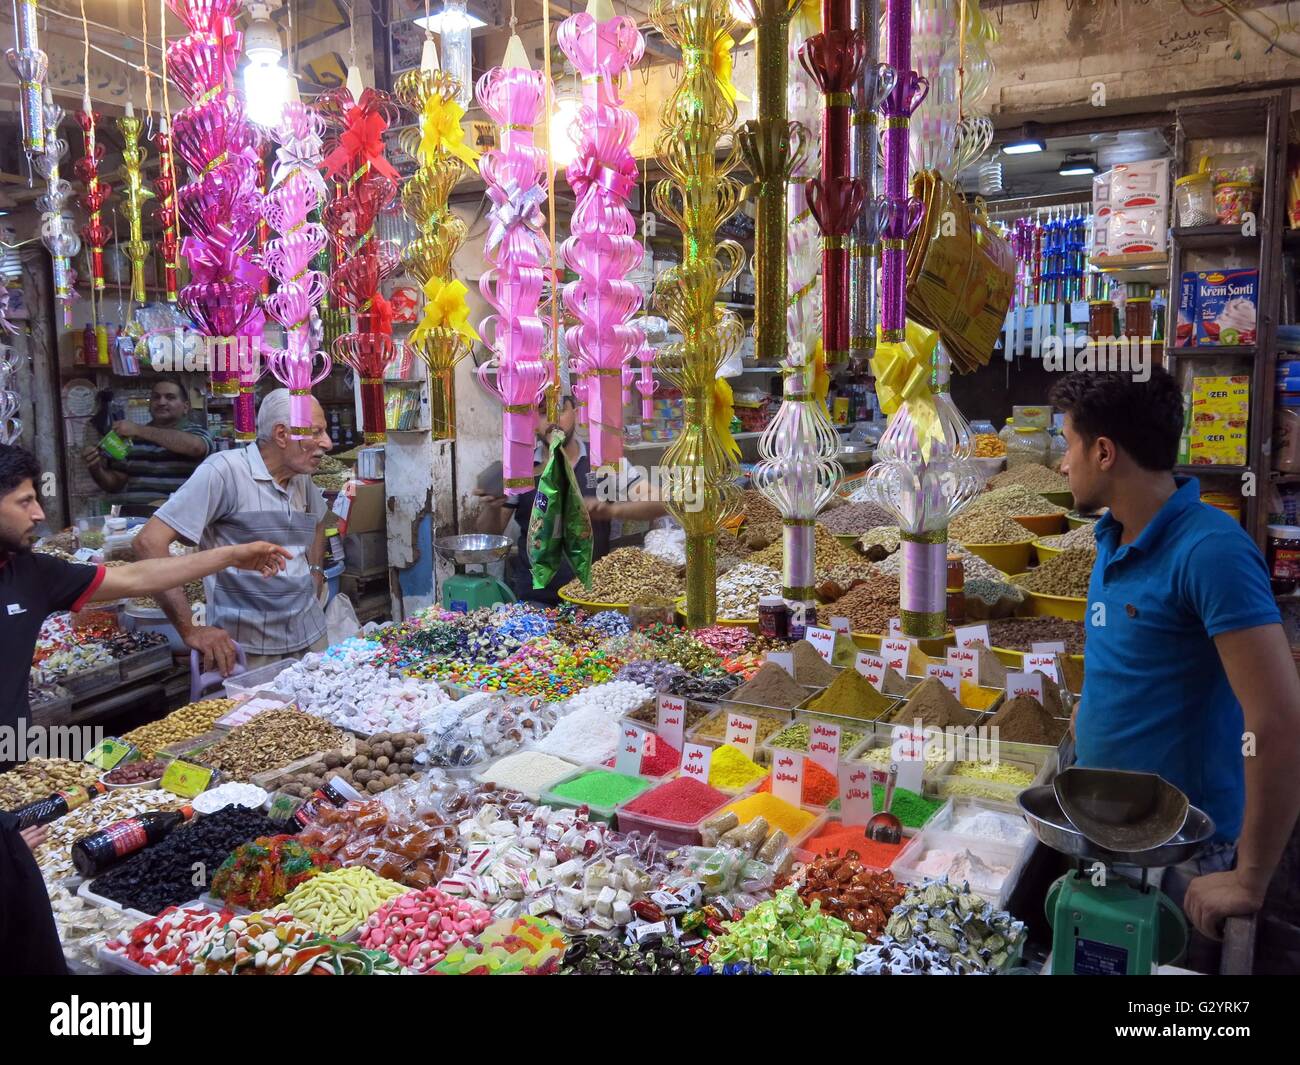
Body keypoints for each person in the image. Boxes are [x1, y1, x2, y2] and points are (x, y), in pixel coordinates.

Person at [1049, 369, 1300, 949]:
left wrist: (1250, 877)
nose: (1064, 465)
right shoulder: (1112, 535)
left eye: (1068, 444)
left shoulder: (1211, 551)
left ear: (1104, 452)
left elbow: (1277, 722)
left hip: (1187, 852)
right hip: (1109, 831)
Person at [0, 443, 291, 736]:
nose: (38, 514)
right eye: (25, 502)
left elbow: (136, 578)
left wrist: (230, 555)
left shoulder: (32, 572)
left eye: (37, 499)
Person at [134, 388, 334, 675]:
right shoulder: (223, 472)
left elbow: (318, 521)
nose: (327, 443)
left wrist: (314, 572)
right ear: (281, 435)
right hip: (249, 651)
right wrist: (189, 629)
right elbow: (148, 542)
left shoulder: (300, 476)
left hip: (311, 637)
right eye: (316, 432)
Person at [475, 395, 667, 604]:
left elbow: (659, 502)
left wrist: (613, 511)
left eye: (559, 409)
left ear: (575, 411)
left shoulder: (603, 460)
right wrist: (491, 508)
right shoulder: (521, 468)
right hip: (536, 599)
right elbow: (490, 534)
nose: (552, 420)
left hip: (595, 596)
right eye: (541, 412)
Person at [81, 377, 212, 505]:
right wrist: (96, 468)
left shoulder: (197, 433)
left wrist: (139, 430)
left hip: (181, 520)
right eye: (156, 397)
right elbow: (115, 484)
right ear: (149, 405)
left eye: (170, 397)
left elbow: (195, 447)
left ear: (185, 407)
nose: (161, 402)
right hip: (138, 520)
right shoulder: (130, 438)